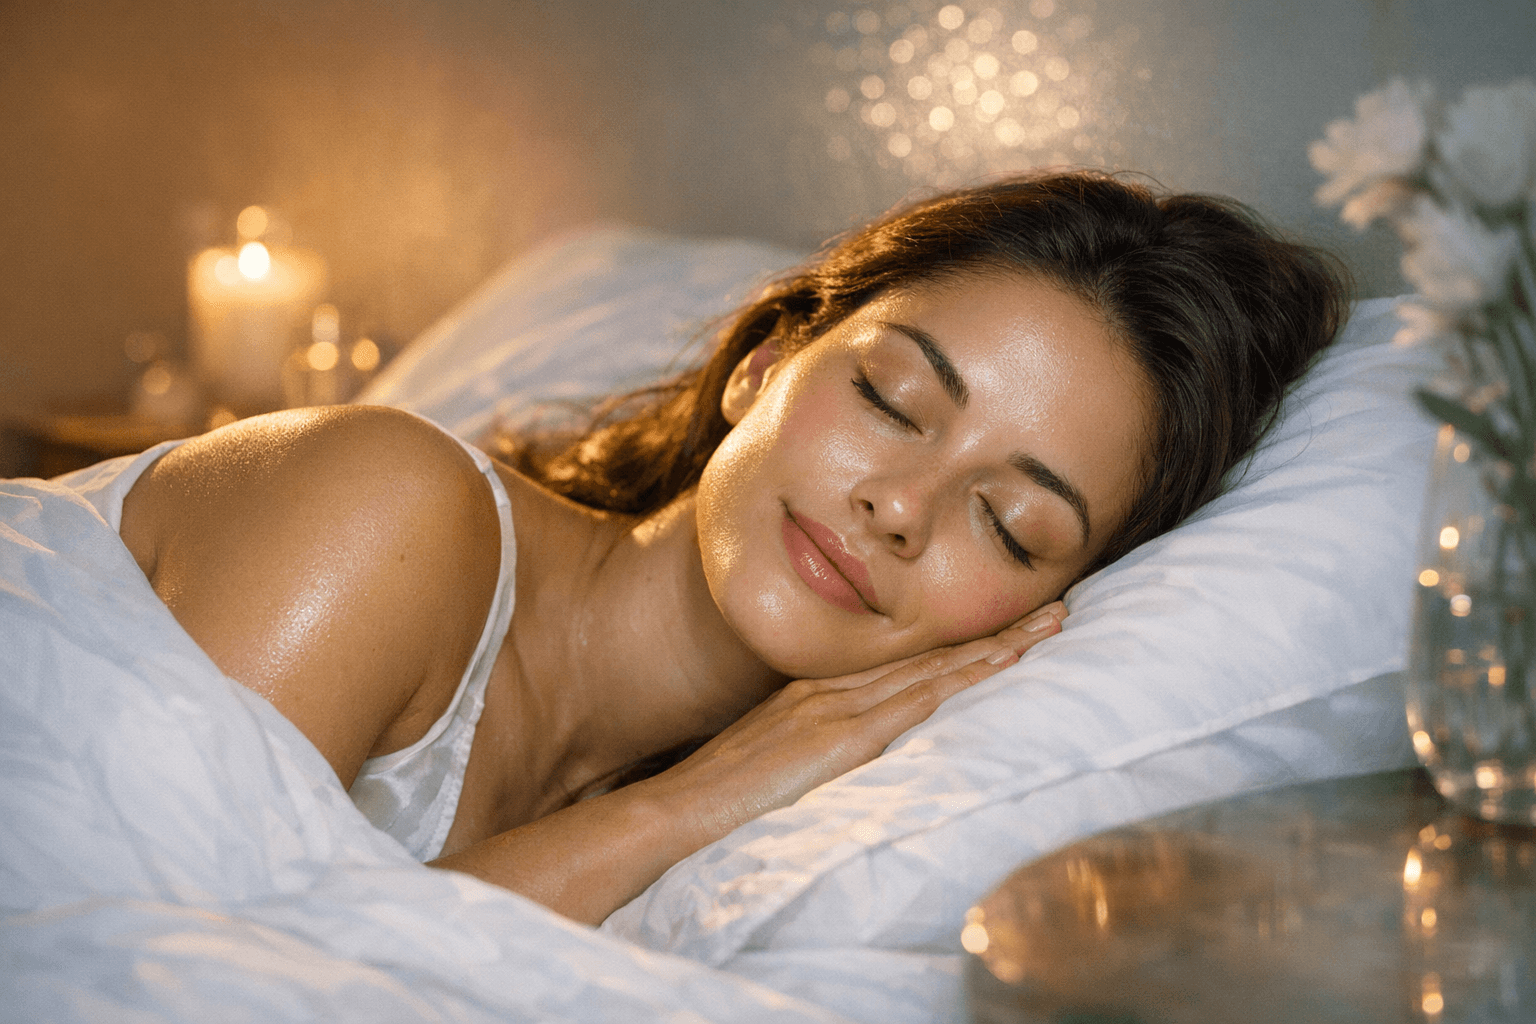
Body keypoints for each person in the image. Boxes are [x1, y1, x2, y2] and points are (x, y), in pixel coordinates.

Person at [110, 171, 1347, 926]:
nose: (902, 507)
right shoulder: (384, 505)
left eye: (1008, 524)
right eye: (893, 400)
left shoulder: (755, 849)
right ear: (763, 364)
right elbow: (168, 970)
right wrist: (685, 804)